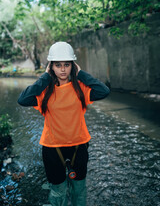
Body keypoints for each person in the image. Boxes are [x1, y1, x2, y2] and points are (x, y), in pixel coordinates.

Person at [17, 42, 110, 206]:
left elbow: (104, 91)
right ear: (51, 66)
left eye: (67, 65)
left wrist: (80, 74)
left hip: (79, 146)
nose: (62, 69)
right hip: (52, 148)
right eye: (57, 65)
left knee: (79, 189)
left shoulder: (80, 87)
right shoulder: (45, 90)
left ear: (72, 66)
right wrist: (45, 77)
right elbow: (22, 99)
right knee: (58, 190)